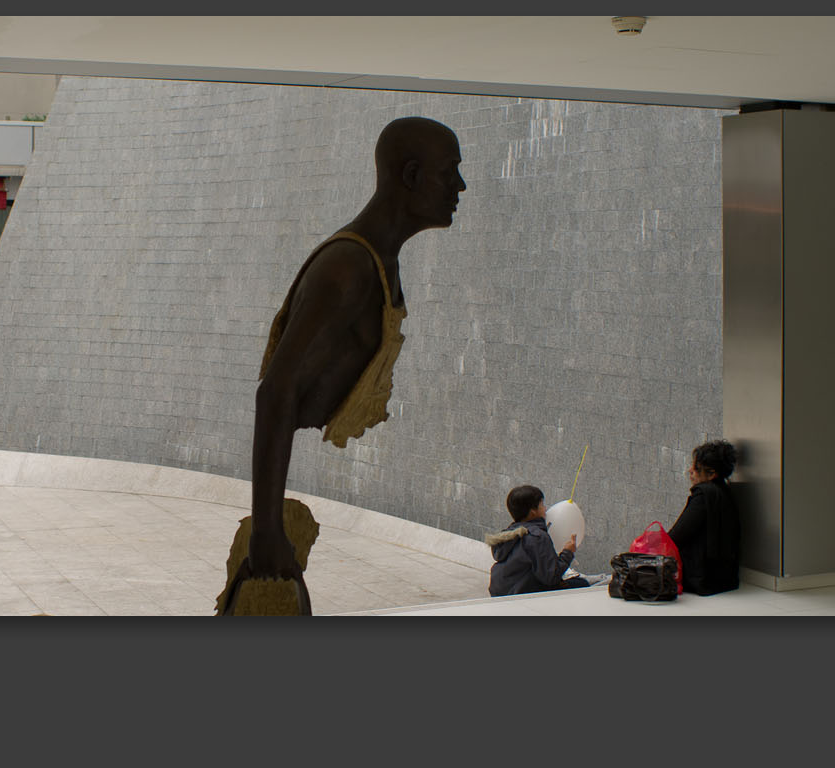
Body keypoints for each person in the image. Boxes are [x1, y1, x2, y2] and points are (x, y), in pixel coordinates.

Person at [219, 117, 465, 615]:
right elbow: (275, 393)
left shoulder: (380, 262)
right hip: (271, 544)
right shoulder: (348, 271)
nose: (460, 186)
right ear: (413, 176)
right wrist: (266, 530)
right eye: (450, 172)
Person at [486, 484, 594, 596]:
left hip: (500, 591)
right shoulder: (537, 537)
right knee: (581, 584)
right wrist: (568, 552)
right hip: (521, 594)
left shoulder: (510, 533)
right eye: (542, 505)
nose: (545, 509)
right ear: (533, 511)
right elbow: (551, 576)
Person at [667, 439, 741, 595]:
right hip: (727, 578)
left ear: (711, 473)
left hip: (702, 579)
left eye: (695, 468)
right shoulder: (726, 492)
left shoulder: (704, 495)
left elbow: (676, 537)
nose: (690, 471)